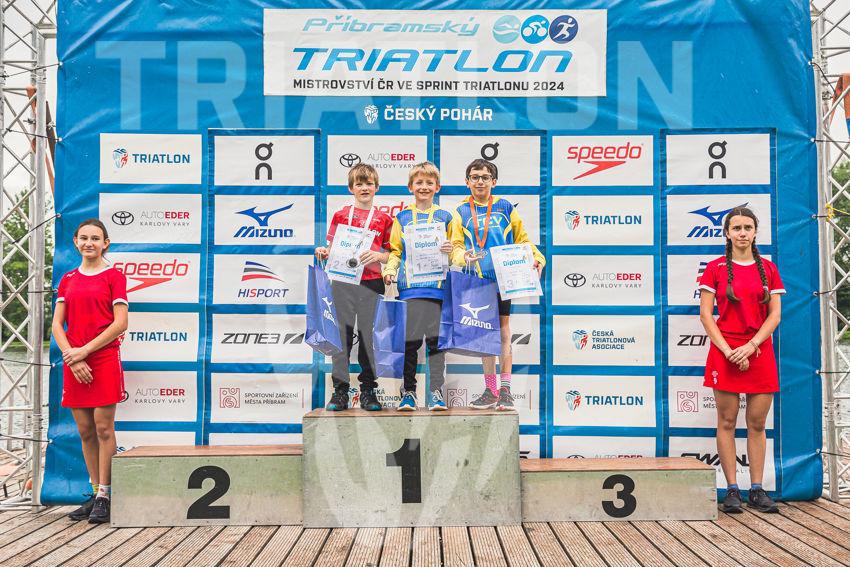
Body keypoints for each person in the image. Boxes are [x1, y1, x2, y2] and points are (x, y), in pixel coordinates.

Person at [698, 207, 783, 514]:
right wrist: (729, 351)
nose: (743, 233)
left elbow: (775, 315)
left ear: (755, 232)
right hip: (725, 351)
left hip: (759, 351)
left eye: (748, 227)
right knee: (727, 421)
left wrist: (750, 346)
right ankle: (732, 489)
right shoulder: (715, 268)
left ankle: (757, 489)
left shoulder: (768, 269)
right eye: (737, 228)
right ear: (727, 233)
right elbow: (706, 316)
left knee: (757, 423)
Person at [449, 159, 545, 410]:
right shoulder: (460, 212)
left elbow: (523, 240)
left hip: (504, 280)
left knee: (503, 332)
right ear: (467, 181)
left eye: (485, 177)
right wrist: (463, 256)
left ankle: (506, 389)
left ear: (494, 181)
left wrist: (538, 258)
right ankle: (490, 390)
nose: (480, 181)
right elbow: (456, 246)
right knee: (484, 337)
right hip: (477, 280)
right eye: (474, 177)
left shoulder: (505, 207)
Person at [51, 219, 128, 523]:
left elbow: (120, 323)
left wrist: (84, 351)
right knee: (84, 430)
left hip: (103, 359)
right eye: (84, 238)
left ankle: (106, 496)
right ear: (75, 241)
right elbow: (57, 325)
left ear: (105, 243)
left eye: (95, 238)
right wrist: (73, 357)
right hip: (75, 361)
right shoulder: (68, 279)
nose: (89, 243)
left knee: (103, 428)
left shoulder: (114, 276)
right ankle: (94, 493)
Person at [316, 163, 392, 411]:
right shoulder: (341, 215)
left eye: (369, 183)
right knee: (342, 337)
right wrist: (324, 252)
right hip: (343, 281)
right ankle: (340, 391)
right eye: (359, 184)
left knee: (369, 338)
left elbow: (391, 254)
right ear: (351, 188)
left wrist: (378, 256)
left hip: (371, 282)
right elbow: (332, 248)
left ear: (377, 187)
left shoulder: (384, 219)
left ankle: (368, 390)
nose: (364, 188)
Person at [383, 162, 458, 411]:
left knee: (436, 344)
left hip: (438, 289)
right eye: (419, 182)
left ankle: (436, 392)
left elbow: (456, 251)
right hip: (410, 290)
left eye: (429, 183)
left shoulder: (446, 217)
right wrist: (390, 270)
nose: (424, 187)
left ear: (437, 187)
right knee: (410, 343)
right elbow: (395, 251)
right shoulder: (402, 218)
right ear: (410, 187)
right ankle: (409, 392)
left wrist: (451, 249)